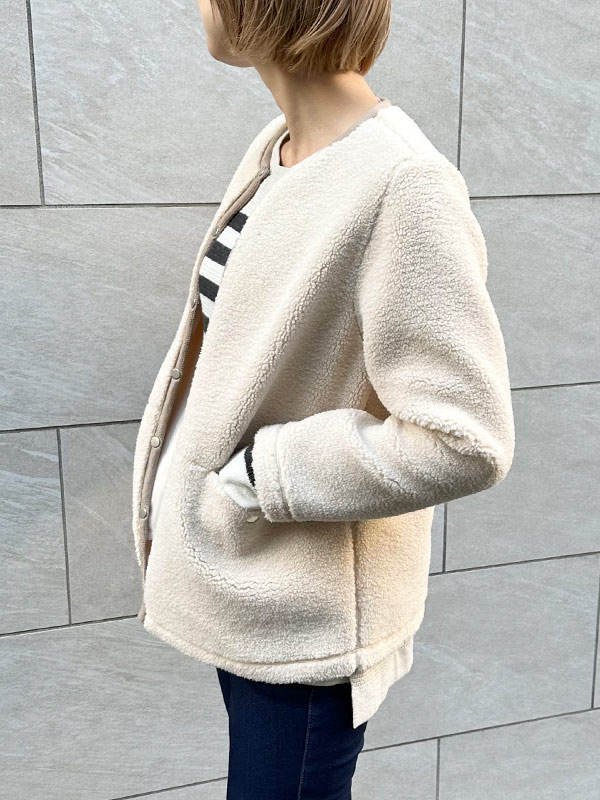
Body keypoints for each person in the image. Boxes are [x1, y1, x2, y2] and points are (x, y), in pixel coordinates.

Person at [132, 1, 516, 797]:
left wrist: (260, 475)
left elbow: (466, 438)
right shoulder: (280, 147)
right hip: (247, 581)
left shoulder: (404, 184)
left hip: (306, 620)